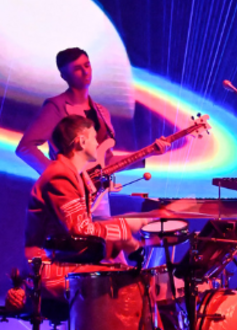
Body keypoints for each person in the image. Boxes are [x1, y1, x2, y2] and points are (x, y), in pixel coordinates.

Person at [24, 115, 148, 299]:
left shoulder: (74, 174)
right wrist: (123, 229)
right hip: (48, 266)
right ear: (81, 141)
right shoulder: (60, 176)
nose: (97, 144)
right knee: (132, 284)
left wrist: (124, 229)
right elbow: (80, 229)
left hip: (65, 257)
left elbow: (80, 227)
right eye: (93, 137)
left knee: (128, 273)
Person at [18, 48, 120, 217]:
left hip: (99, 195)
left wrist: (147, 157)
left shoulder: (102, 111)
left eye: (87, 65)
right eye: (77, 68)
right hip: (69, 196)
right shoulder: (56, 107)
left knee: (104, 241)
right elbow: (25, 147)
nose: (85, 71)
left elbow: (107, 159)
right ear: (64, 76)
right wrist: (60, 177)